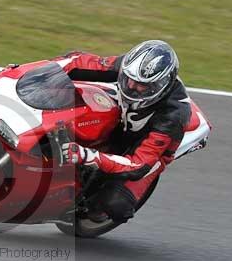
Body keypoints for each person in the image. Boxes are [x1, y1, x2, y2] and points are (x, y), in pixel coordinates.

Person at [54, 40, 193, 225]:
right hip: (123, 121)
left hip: (144, 153)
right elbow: (79, 61)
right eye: (130, 79)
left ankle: (95, 210)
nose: (132, 86)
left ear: (159, 87)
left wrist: (87, 155)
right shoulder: (130, 68)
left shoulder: (173, 116)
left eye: (140, 85)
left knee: (114, 203)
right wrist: (31, 72)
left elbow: (138, 165)